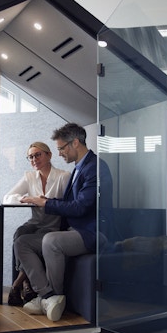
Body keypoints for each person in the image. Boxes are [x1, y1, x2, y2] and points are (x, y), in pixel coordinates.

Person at [16, 123, 111, 322]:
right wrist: (43, 200)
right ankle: (48, 296)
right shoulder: (79, 167)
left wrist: (47, 203)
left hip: (93, 232)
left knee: (51, 241)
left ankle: (48, 298)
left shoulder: (95, 167)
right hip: (75, 230)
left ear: (75, 143)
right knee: (22, 242)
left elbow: (81, 207)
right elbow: (71, 203)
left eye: (61, 148)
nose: (59, 153)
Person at [3, 141, 71, 306]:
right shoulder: (29, 176)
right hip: (36, 222)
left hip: (54, 225)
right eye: (30, 157)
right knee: (20, 231)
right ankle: (25, 283)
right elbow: (7, 197)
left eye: (38, 155)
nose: (34, 159)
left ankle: (18, 284)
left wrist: (43, 201)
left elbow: (71, 205)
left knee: (23, 239)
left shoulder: (63, 176)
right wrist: (24, 198)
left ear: (49, 155)